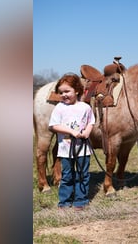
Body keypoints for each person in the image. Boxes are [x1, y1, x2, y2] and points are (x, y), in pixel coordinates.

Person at [48, 73, 95, 210]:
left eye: (67, 91)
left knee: (82, 174)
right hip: (65, 149)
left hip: (83, 149)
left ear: (77, 90)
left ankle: (81, 200)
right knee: (67, 175)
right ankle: (65, 201)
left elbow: (91, 122)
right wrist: (71, 132)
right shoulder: (59, 108)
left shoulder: (85, 107)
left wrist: (86, 132)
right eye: (61, 92)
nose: (64, 95)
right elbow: (54, 125)